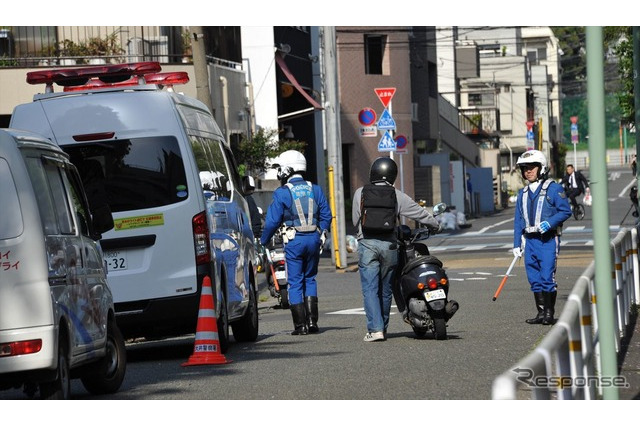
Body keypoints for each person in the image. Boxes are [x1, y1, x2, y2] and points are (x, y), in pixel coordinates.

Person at [352, 156, 441, 342]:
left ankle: (375, 329)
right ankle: (382, 328)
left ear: (372, 172)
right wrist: (435, 224)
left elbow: (355, 220)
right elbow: (419, 212)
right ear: (393, 175)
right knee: (386, 289)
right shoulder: (396, 195)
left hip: (367, 244)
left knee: (370, 289)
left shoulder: (360, 192)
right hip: (390, 246)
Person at [260, 150, 332, 335]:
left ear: (288, 169)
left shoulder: (282, 192)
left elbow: (272, 221)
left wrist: (263, 240)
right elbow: (326, 215)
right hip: (314, 239)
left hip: (294, 241)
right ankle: (313, 322)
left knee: (295, 282)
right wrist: (321, 232)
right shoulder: (315, 189)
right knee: (310, 278)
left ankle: (300, 326)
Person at [513, 150, 572, 326]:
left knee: (547, 276)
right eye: (524, 168)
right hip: (529, 241)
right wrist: (517, 243)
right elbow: (518, 220)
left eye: (531, 168)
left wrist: (550, 223)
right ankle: (540, 312)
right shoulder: (522, 193)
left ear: (542, 168)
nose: (528, 171)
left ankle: (549, 313)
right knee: (534, 278)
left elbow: (565, 211)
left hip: (547, 240)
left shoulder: (553, 188)